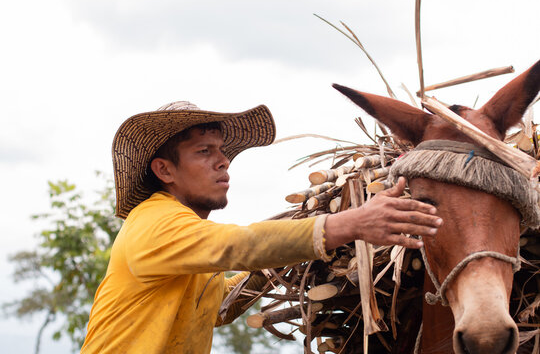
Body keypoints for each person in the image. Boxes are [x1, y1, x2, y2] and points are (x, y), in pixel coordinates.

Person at [81, 101, 442, 353]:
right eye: (204, 151)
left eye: (221, 151)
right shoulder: (154, 222)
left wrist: (284, 262)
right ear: (165, 170)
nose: (224, 162)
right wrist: (351, 223)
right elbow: (240, 244)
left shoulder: (183, 238)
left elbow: (220, 305)